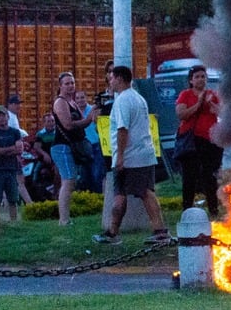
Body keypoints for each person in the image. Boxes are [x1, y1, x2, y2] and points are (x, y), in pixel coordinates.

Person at [96, 65, 167, 244]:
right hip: (139, 154)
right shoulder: (138, 98)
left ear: (120, 78)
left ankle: (160, 231)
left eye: (111, 78)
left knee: (145, 192)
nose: (109, 82)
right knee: (120, 195)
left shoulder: (123, 101)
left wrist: (120, 157)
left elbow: (122, 130)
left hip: (132, 157)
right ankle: (112, 232)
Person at [45, 72, 94, 226]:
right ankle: (63, 219)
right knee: (68, 181)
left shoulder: (72, 102)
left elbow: (82, 122)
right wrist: (88, 118)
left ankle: (66, 217)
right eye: (67, 83)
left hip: (72, 146)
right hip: (62, 146)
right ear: (60, 86)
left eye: (72, 83)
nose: (70, 86)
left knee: (71, 181)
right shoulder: (60, 102)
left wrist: (91, 115)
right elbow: (68, 124)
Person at [175, 65, 223, 216]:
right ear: (191, 80)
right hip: (192, 142)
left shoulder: (212, 95)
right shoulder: (185, 95)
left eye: (203, 76)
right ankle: (187, 209)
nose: (201, 79)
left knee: (210, 176)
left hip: (210, 141)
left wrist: (210, 103)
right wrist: (199, 104)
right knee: (189, 177)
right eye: (197, 77)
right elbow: (181, 114)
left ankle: (213, 209)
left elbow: (222, 112)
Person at [0, 104, 29, 220]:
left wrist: (3, 150)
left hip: (11, 169)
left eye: (3, 116)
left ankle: (13, 222)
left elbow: (19, 149)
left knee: (13, 199)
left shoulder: (15, 132)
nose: (1, 118)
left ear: (8, 117)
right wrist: (11, 149)